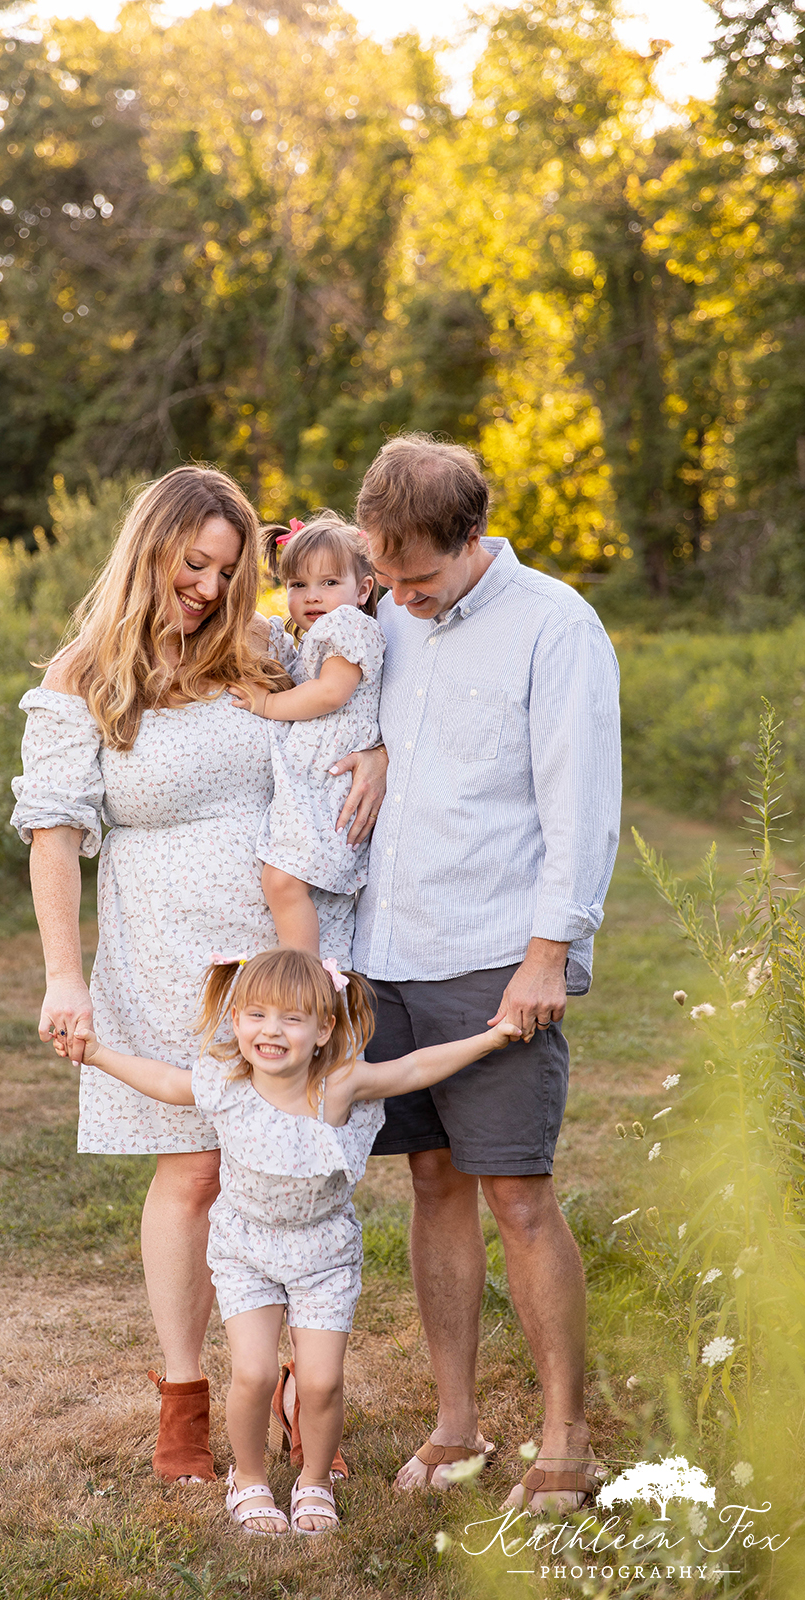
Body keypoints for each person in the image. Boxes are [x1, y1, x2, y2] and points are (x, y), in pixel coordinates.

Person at [9, 466, 382, 1486]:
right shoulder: (82, 676)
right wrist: (61, 976)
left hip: (283, 946)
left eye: (226, 568)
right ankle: (184, 1395)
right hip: (163, 950)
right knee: (193, 1169)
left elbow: (355, 690)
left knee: (303, 1167)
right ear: (150, 548)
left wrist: (376, 753)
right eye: (195, 563)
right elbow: (52, 836)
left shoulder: (261, 648)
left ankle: (309, 1397)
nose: (212, 587)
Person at [346, 433, 621, 1512]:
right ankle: (454, 1421)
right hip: (387, 953)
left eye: (416, 578)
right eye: (385, 576)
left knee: (517, 1193)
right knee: (430, 1182)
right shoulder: (381, 619)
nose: (400, 598)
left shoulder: (553, 624)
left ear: (471, 538)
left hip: (495, 955)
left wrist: (547, 951)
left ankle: (563, 1441)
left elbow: (579, 801)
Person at [64, 946, 522, 1534]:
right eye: (255, 1015)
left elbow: (413, 1068)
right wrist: (98, 1053)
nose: (271, 1031)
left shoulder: (339, 1084)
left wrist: (492, 1039)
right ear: (235, 1020)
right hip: (245, 1251)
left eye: (291, 1018)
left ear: (325, 1026)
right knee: (252, 1373)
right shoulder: (228, 1083)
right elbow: (164, 1082)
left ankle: (313, 1480)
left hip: (323, 1255)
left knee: (321, 1380)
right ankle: (248, 1477)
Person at [229, 514, 385, 955]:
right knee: (303, 889)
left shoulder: (348, 626)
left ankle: (302, 977)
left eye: (329, 582)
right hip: (316, 782)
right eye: (297, 584)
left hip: (330, 782)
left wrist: (267, 705)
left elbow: (332, 693)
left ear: (364, 589)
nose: (312, 596)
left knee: (281, 881)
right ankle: (322, 973)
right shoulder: (316, 636)